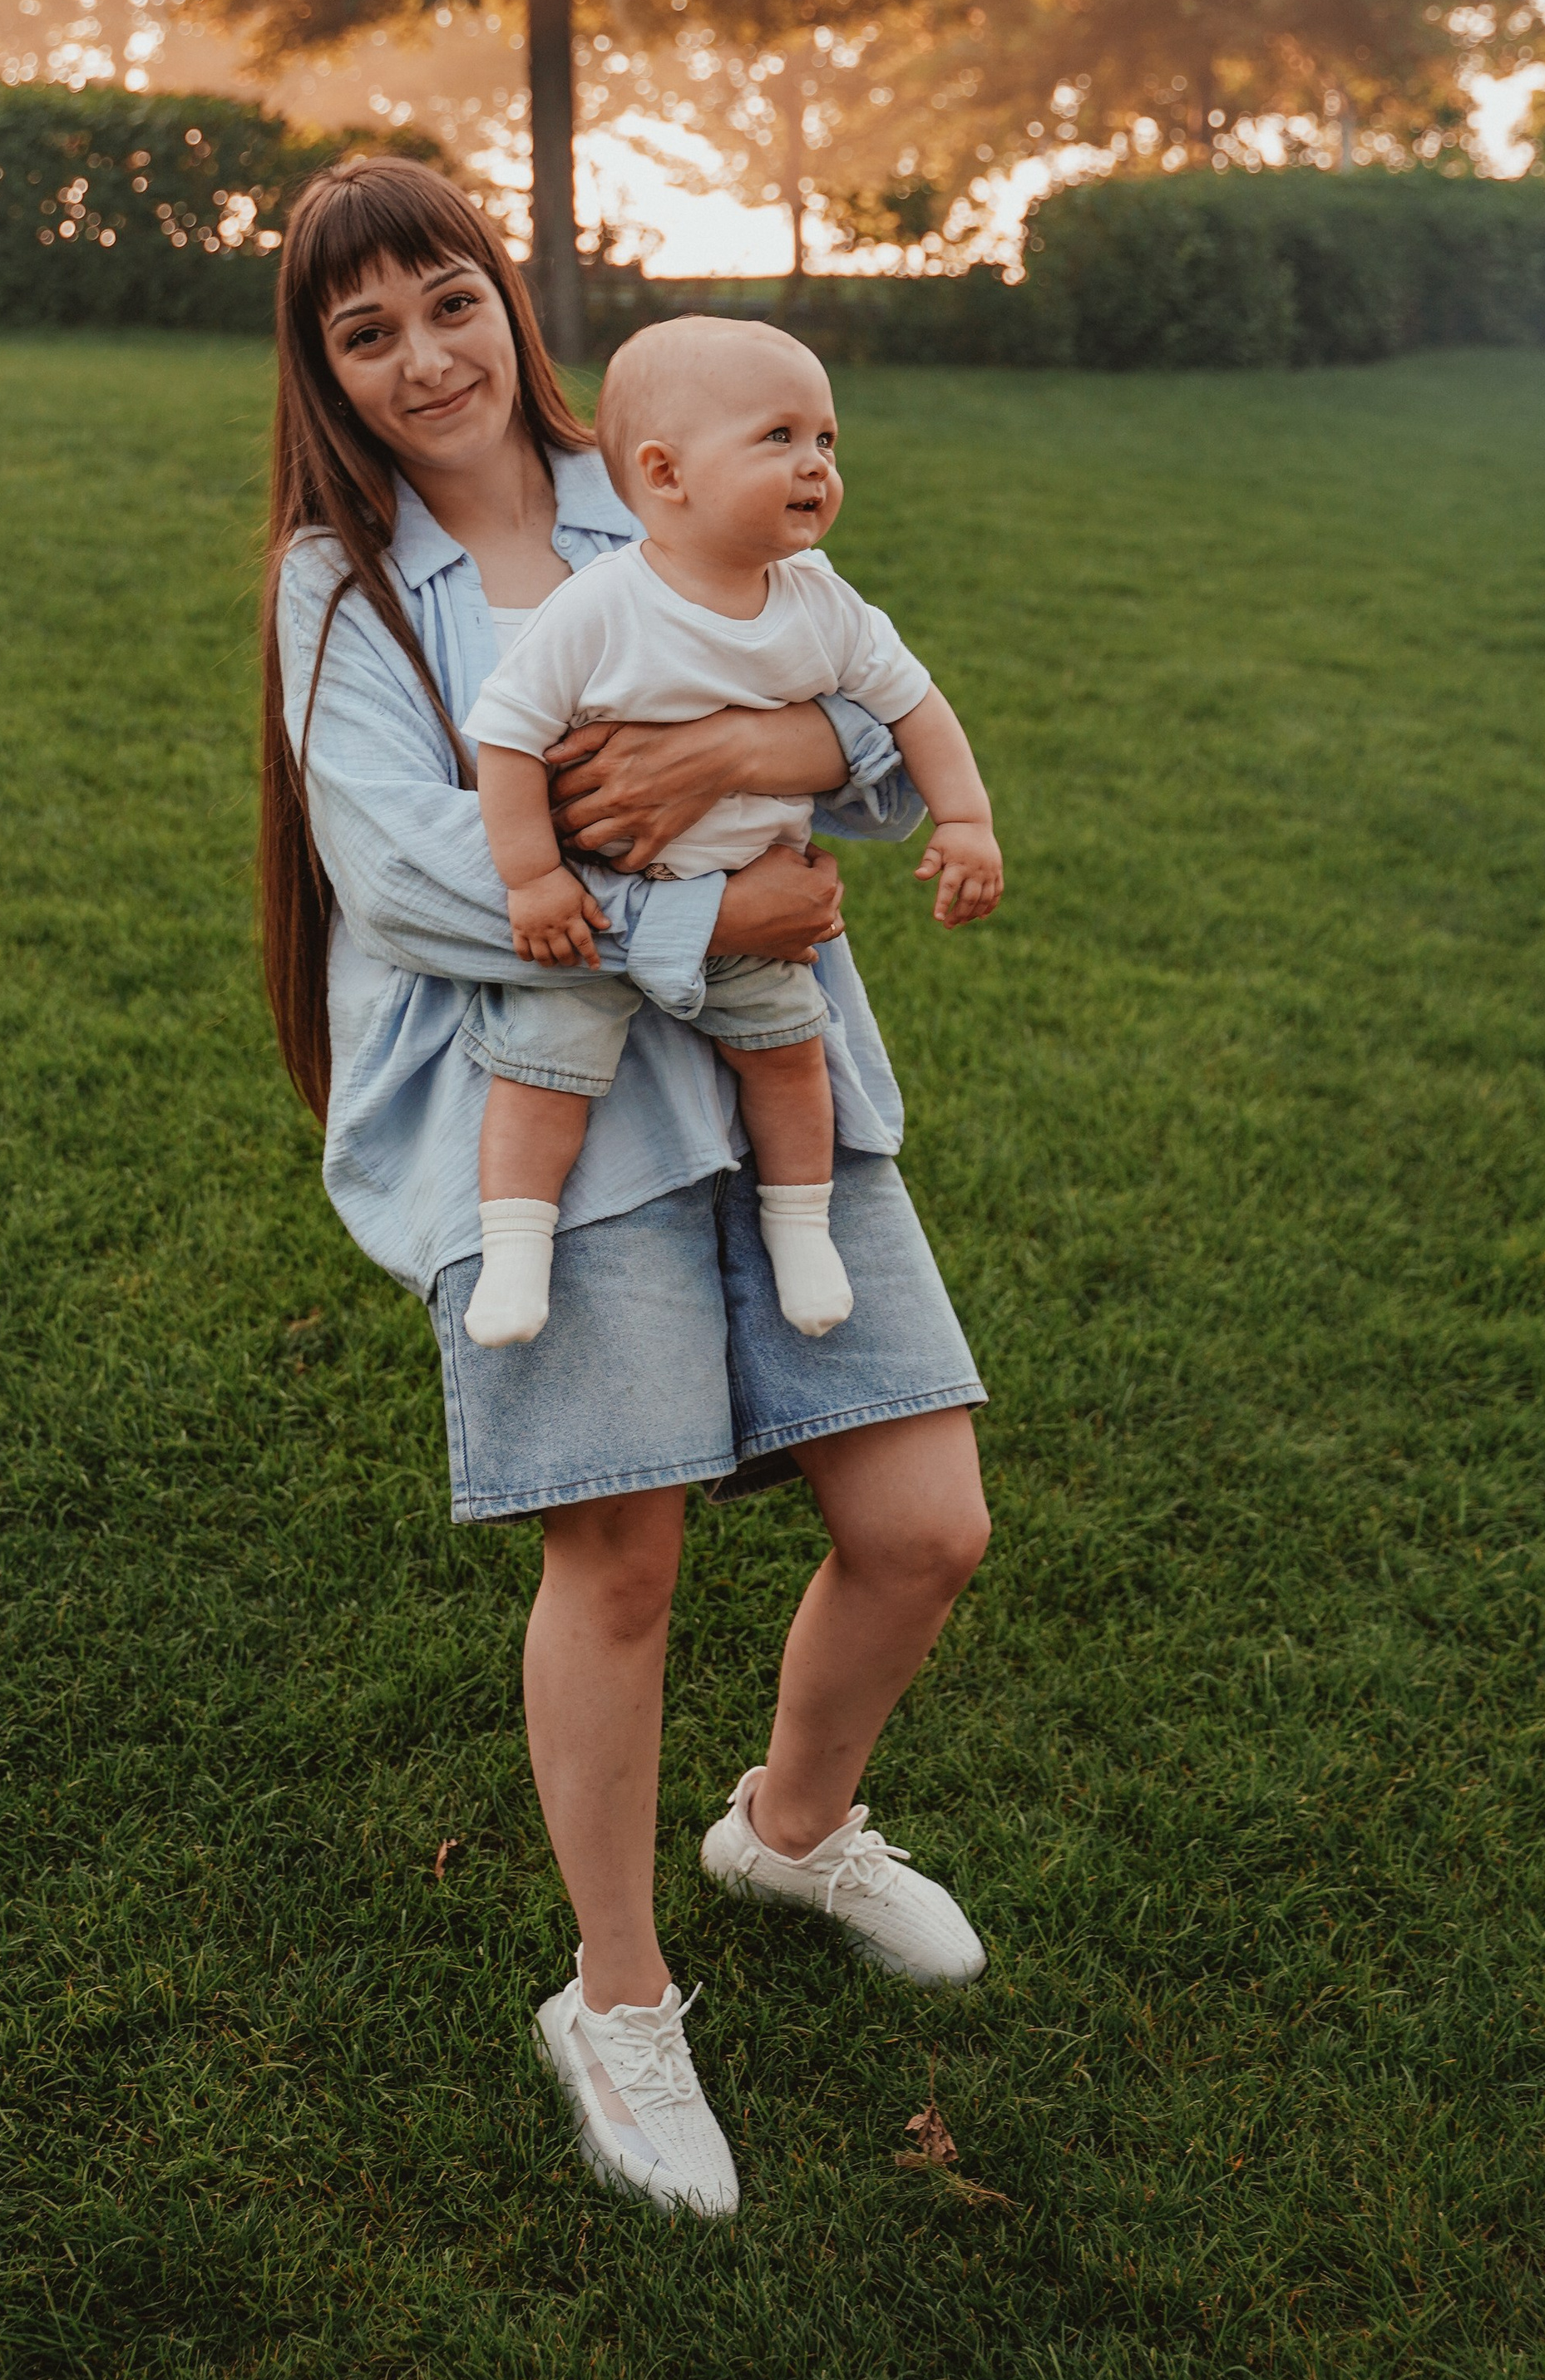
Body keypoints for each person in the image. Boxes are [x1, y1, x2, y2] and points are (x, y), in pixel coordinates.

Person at [259, 155, 997, 2224]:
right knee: (621, 1558)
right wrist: (699, 905)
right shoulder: (339, 585)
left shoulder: (657, 471)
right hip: (543, 1100)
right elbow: (408, 877)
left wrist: (713, 757)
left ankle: (785, 1822)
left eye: (447, 301)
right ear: (322, 369)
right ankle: (613, 1990)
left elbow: (861, 729)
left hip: (779, 1083)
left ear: (511, 297)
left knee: (924, 1521)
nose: (422, 356)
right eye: (362, 329)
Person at [461, 315, 1004, 1351]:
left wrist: (966, 820)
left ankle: (800, 1228)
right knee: (539, 1074)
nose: (815, 465)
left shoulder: (822, 604)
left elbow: (915, 707)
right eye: (778, 438)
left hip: (756, 911)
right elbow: (508, 742)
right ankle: (515, 1251)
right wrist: (533, 882)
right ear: (665, 474)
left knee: (791, 1063)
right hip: (599, 903)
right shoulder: (596, 608)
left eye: (826, 440)